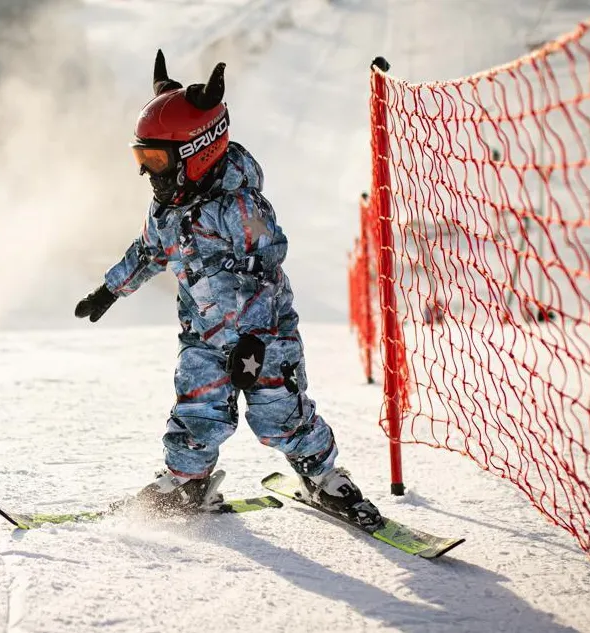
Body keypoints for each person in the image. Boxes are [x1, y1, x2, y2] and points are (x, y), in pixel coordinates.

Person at [74, 51, 381, 529]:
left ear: (200, 150)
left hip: (264, 337)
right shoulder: (168, 209)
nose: (147, 171)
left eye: (155, 158)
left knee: (280, 413)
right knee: (196, 410)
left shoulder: (239, 207)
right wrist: (110, 290)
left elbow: (264, 268)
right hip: (203, 335)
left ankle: (323, 477)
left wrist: (254, 342)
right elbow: (149, 251)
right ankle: (188, 482)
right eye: (141, 157)